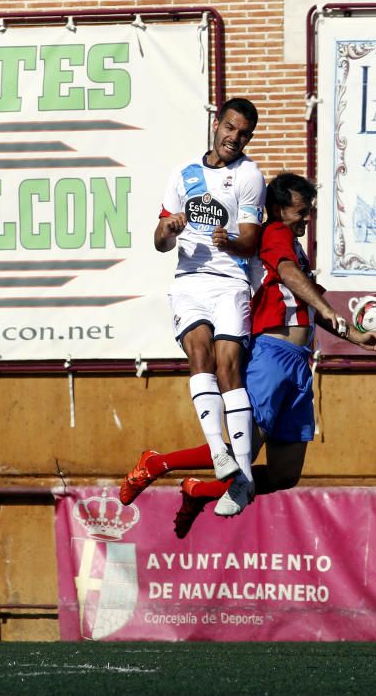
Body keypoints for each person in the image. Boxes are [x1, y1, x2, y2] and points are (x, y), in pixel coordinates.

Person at [118, 173, 376, 533]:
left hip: (298, 366)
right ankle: (157, 463)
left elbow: (309, 293)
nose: (306, 219)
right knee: (239, 450)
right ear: (278, 209)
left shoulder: (295, 247)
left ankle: (201, 491)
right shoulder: (275, 233)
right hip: (272, 357)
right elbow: (290, 275)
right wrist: (328, 312)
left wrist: (356, 336)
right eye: (301, 211)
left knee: (285, 473)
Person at [120, 98, 266, 517]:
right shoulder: (183, 173)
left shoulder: (249, 176)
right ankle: (221, 454)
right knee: (199, 354)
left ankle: (244, 479)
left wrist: (230, 242)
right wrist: (166, 229)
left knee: (229, 366)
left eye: (243, 134)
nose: (234, 139)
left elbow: (251, 241)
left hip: (231, 282)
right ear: (216, 124)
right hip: (189, 281)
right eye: (230, 128)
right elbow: (160, 241)